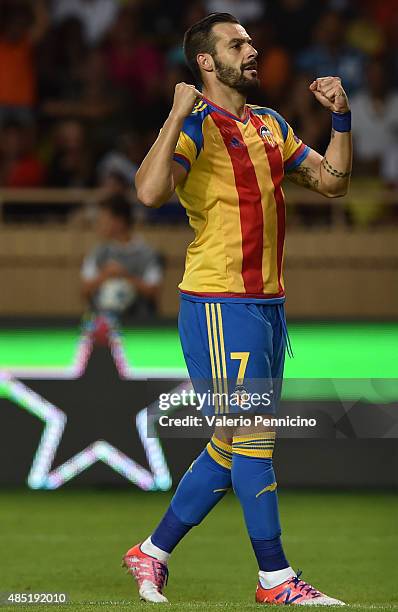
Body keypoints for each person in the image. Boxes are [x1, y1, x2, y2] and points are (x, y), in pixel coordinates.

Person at [123, 13, 352, 606]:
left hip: (268, 307)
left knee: (231, 444)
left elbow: (332, 182)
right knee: (253, 436)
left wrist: (341, 119)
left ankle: (151, 552)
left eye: (250, 41)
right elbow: (148, 195)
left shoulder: (272, 125)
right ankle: (275, 579)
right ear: (206, 62)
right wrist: (176, 114)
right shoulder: (198, 126)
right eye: (236, 44)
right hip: (220, 303)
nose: (252, 51)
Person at [81, 195, 163, 319]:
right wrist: (105, 275)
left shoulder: (147, 254)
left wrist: (124, 275)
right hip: (102, 325)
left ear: (119, 221)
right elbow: (85, 291)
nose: (100, 225)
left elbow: (153, 291)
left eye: (104, 220)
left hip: (140, 324)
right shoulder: (98, 252)